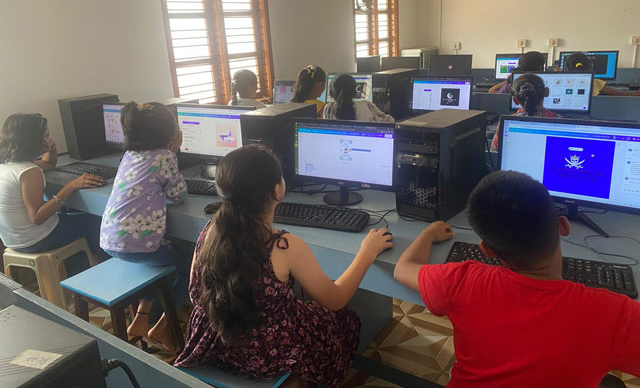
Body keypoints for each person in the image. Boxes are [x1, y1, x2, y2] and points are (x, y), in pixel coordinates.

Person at [394, 171, 640, 387]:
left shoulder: (461, 281)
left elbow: (403, 268)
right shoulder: (616, 315)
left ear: (487, 249)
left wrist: (428, 233)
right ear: (563, 226)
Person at [174, 145, 393, 388]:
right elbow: (336, 299)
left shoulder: (210, 230)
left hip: (214, 345)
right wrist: (367, 252)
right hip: (266, 356)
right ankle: (305, 377)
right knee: (342, 318)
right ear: (277, 190)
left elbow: (195, 294)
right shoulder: (284, 246)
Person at [100, 102, 188, 351]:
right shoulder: (165, 157)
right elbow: (179, 195)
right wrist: (174, 151)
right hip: (138, 246)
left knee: (156, 261)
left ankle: (140, 320)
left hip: (110, 242)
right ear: (169, 134)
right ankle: (163, 323)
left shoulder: (129, 155)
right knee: (192, 264)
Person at [0, 113, 102, 265]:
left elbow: (48, 164)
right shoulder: (29, 171)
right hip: (37, 240)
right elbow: (37, 217)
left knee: (69, 215)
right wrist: (71, 186)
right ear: (33, 140)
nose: (49, 138)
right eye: (46, 135)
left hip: (14, 241)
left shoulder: (8, 165)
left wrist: (51, 146)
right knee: (96, 221)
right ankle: (96, 265)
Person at [490, 73, 558, 151]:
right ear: (546, 92)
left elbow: (494, 151)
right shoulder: (560, 120)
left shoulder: (505, 122)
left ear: (515, 100)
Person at [323, 74, 394, 123]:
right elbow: (390, 121)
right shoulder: (367, 105)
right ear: (355, 92)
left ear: (331, 93)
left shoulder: (328, 109)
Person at [564, 52, 640, 97]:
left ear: (567, 68)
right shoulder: (595, 82)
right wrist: (636, 93)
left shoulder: (563, 82)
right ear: (590, 67)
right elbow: (620, 95)